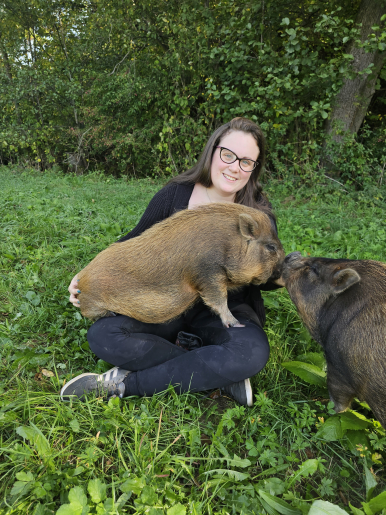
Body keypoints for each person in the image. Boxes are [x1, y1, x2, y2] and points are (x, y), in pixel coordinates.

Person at [61, 117, 280, 406]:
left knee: (251, 352)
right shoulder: (175, 194)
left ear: (254, 168)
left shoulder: (259, 215)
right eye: (228, 155)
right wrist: (86, 274)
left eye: (246, 161)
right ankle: (217, 372)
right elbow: (134, 241)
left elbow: (266, 273)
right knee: (105, 335)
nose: (234, 167)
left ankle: (124, 385)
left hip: (224, 310)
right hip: (165, 303)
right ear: (213, 151)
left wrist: (284, 276)